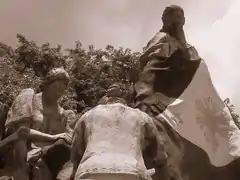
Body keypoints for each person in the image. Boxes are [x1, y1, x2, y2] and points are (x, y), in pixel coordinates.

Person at [1, 68, 76, 180]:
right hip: (21, 154)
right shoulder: (29, 97)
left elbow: (69, 143)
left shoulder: (65, 115)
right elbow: (21, 134)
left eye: (62, 90)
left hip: (48, 160)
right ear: (46, 85)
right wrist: (21, 167)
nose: (57, 93)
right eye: (55, 87)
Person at [70, 97, 167, 180]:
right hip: (132, 171)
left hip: (90, 171)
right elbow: (161, 159)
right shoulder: (142, 116)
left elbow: (75, 156)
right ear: (126, 105)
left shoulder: (88, 115)